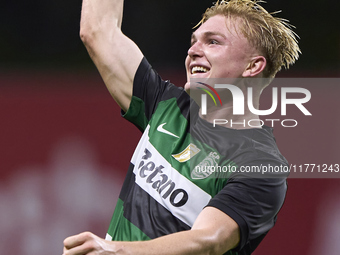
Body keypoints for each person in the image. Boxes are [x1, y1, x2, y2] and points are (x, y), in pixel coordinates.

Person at [63, 0, 300, 254]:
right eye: (193, 41)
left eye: (213, 42)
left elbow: (208, 240)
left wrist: (115, 251)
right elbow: (98, 30)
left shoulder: (260, 164)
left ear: (253, 66)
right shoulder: (166, 105)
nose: (193, 51)